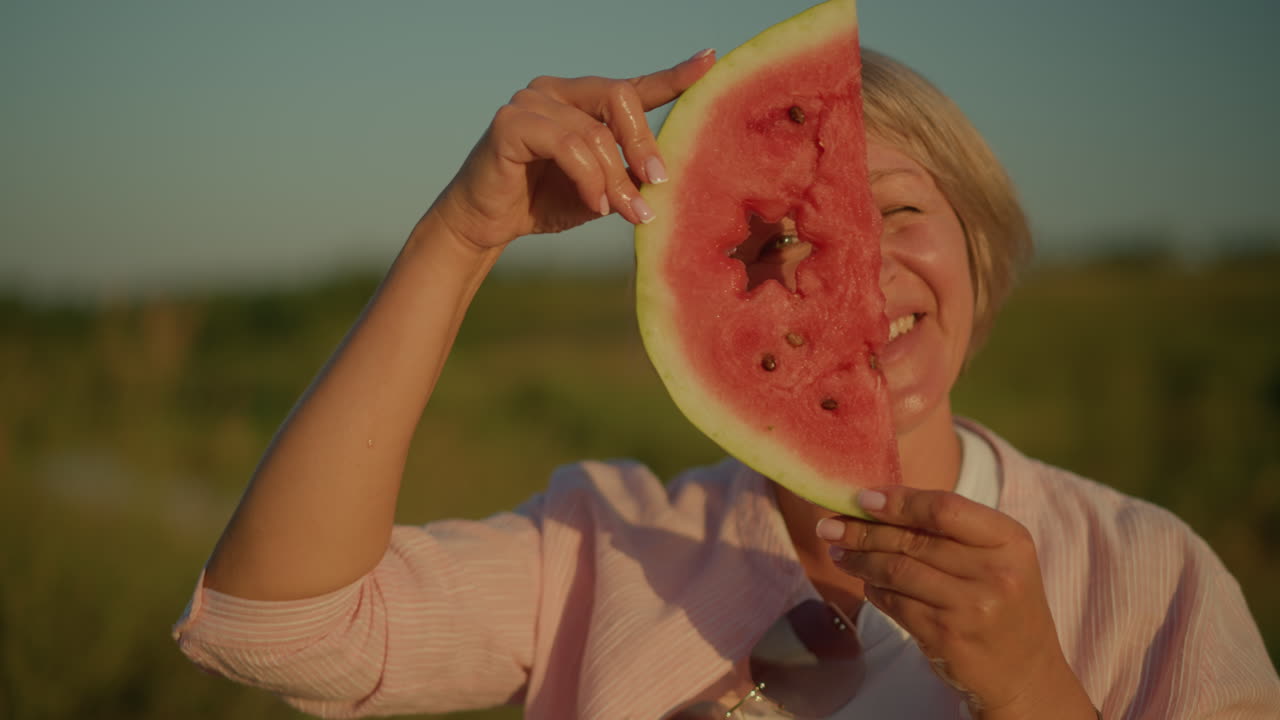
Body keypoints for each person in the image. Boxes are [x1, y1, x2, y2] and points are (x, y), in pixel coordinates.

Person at [172, 47, 1280, 719]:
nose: (848, 273)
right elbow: (277, 629)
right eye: (773, 242)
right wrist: (459, 240)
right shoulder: (604, 546)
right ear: (702, 298)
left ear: (978, 252)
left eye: (898, 210)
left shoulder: (1149, 577)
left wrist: (1037, 694)